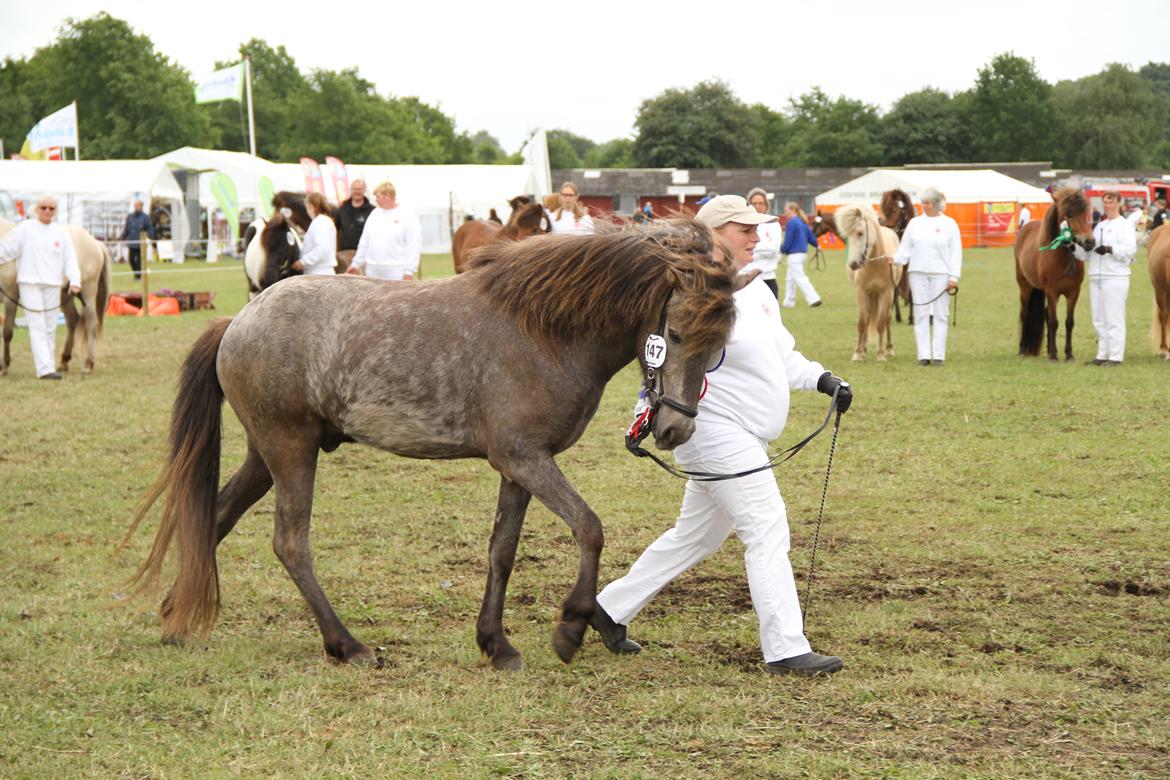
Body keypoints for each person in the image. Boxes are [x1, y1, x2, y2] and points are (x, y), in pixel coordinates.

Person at [590, 194, 853, 677]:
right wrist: (644, 411)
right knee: (767, 528)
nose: (757, 237)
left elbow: (781, 353)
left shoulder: (756, 290)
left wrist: (822, 379)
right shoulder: (690, 292)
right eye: (744, 230)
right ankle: (785, 648)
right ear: (712, 235)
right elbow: (661, 362)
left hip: (745, 434)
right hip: (712, 430)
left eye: (757, 229)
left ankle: (606, 608)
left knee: (695, 538)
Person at [0, 196, 82, 380]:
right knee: (37, 324)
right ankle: (44, 369)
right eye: (43, 207)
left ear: (55, 211)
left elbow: (70, 259)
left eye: (51, 208)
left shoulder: (61, 233)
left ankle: (49, 365)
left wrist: (75, 280)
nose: (47, 211)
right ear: (37, 209)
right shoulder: (25, 229)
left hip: (53, 284)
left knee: (50, 326)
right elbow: (6, 249)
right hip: (30, 284)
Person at [894, 187, 962, 365]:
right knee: (921, 313)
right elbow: (904, 250)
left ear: (936, 204)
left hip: (942, 274)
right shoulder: (915, 224)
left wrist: (954, 277)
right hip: (918, 273)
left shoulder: (950, 224)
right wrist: (894, 260)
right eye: (923, 202)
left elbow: (956, 252)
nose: (924, 205)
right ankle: (923, 355)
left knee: (940, 314)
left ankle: (938, 355)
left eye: (927, 202)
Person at [1072, 191, 1138, 365]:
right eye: (1105, 202)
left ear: (1118, 204)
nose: (1107, 205)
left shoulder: (1124, 225)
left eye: (1110, 201)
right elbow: (1087, 255)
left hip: (1115, 276)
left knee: (1114, 318)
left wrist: (1110, 249)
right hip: (1096, 275)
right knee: (1098, 318)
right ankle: (1102, 354)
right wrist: (1074, 246)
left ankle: (1116, 356)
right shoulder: (1099, 226)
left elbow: (1130, 251)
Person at [346, 181, 421, 280]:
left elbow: (413, 245)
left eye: (378, 197)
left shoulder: (408, 215)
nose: (376, 200)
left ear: (388, 196)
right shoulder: (374, 214)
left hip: (396, 271)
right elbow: (364, 241)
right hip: (372, 271)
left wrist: (409, 271)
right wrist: (355, 264)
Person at [779, 202, 822, 308]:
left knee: (800, 277)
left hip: (794, 255)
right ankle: (789, 302)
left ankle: (814, 298)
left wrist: (782, 249)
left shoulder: (792, 223)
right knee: (790, 278)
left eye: (787, 210)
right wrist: (817, 245)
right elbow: (811, 237)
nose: (785, 213)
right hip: (802, 254)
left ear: (792, 210)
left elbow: (788, 240)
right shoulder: (802, 222)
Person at [743, 188, 782, 299]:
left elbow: (773, 250)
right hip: (746, 277)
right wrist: (764, 249)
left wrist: (753, 250)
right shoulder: (743, 224)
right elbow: (741, 249)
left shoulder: (774, 224)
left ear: (766, 205)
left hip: (768, 277)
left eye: (761, 203)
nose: (757, 206)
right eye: (754, 203)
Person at [332, 178, 374, 270]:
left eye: (359, 189)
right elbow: (335, 230)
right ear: (350, 190)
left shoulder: (372, 211)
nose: (357, 192)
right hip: (343, 255)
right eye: (354, 189)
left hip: (363, 256)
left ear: (364, 190)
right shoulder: (342, 209)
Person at [294, 192, 338, 276]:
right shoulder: (324, 221)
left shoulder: (320, 222)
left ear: (310, 206)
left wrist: (303, 262)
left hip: (318, 273)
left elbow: (322, 248)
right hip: (320, 272)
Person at [120, 200, 154, 281]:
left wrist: (149, 237)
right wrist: (123, 236)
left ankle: (138, 277)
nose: (136, 207)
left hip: (141, 243)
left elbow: (150, 228)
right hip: (132, 241)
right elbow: (127, 228)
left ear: (141, 206)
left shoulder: (145, 217)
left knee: (139, 261)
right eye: (135, 206)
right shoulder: (130, 216)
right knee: (131, 260)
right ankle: (136, 273)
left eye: (138, 206)